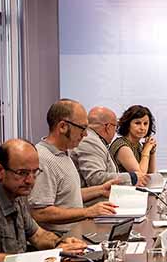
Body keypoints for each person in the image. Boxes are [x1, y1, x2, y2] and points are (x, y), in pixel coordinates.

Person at [0, 139, 86, 262]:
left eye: (35, 172)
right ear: (0, 171)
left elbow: (37, 235)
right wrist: (37, 258)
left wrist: (61, 243)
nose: (30, 181)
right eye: (22, 173)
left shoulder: (15, 193)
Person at [29, 99, 118, 233]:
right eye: (82, 128)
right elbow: (40, 212)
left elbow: (66, 197)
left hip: (75, 234)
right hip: (59, 241)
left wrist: (100, 190)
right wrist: (87, 212)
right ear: (63, 126)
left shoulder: (64, 154)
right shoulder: (43, 159)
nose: (85, 134)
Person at [72, 107, 149, 202]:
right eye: (115, 127)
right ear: (108, 127)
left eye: (145, 123)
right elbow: (95, 178)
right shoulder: (90, 141)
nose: (142, 128)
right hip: (92, 205)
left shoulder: (96, 140)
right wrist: (132, 177)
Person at [109, 105, 157, 175]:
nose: (142, 128)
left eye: (145, 123)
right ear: (128, 125)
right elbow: (141, 175)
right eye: (137, 123)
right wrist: (146, 150)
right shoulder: (122, 147)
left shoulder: (137, 145)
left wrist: (152, 152)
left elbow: (150, 174)